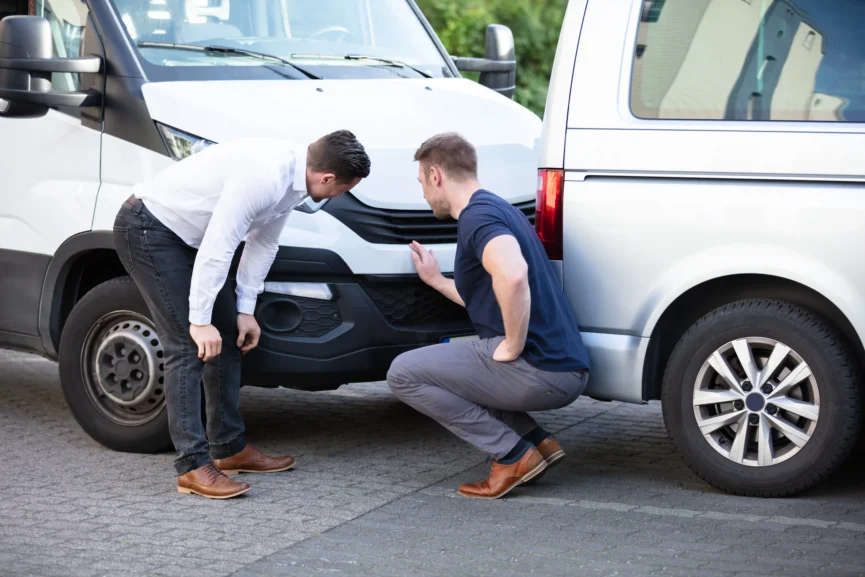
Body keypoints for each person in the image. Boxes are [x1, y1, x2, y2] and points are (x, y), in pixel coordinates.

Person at [114, 131, 371, 499]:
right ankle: (191, 466)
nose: (341, 196)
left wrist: (245, 310)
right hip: (150, 228)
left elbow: (264, 242)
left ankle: (229, 448)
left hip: (193, 241)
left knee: (228, 339)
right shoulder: (265, 176)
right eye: (344, 188)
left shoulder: (297, 182)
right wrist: (199, 321)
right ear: (327, 177)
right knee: (187, 346)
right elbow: (220, 245)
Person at [387, 133, 590, 499]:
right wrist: (436, 280)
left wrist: (512, 345)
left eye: (421, 182)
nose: (422, 194)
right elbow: (488, 295)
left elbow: (512, 276)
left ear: (436, 175)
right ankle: (537, 443)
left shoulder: (476, 219)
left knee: (403, 373)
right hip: (563, 367)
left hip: (539, 369)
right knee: (453, 371)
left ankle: (511, 455)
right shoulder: (498, 208)